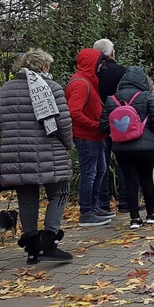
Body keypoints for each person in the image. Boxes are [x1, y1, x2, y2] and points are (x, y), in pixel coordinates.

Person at [0, 49, 74, 264]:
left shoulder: (5, 90)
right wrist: (67, 144)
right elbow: (63, 123)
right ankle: (49, 239)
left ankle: (32, 246)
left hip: (16, 154)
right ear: (43, 67)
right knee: (59, 191)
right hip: (49, 150)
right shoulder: (51, 88)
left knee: (27, 196)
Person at [100, 66, 154, 229]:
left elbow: (103, 126)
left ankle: (134, 218)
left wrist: (118, 132)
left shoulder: (111, 99)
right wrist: (149, 132)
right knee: (146, 179)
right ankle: (151, 214)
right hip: (145, 147)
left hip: (121, 148)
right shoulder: (145, 96)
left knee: (130, 181)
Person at [66, 48, 113, 227]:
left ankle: (94, 207)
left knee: (100, 171)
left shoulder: (88, 82)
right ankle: (86, 211)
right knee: (90, 173)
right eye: (100, 63)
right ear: (93, 64)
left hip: (96, 136)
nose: (103, 67)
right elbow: (74, 112)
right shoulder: (80, 83)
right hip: (87, 137)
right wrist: (95, 125)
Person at [93, 38, 128, 213]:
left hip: (99, 122)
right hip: (122, 122)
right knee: (123, 161)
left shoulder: (92, 73)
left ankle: (102, 201)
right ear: (112, 52)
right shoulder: (121, 72)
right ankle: (126, 200)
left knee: (102, 163)